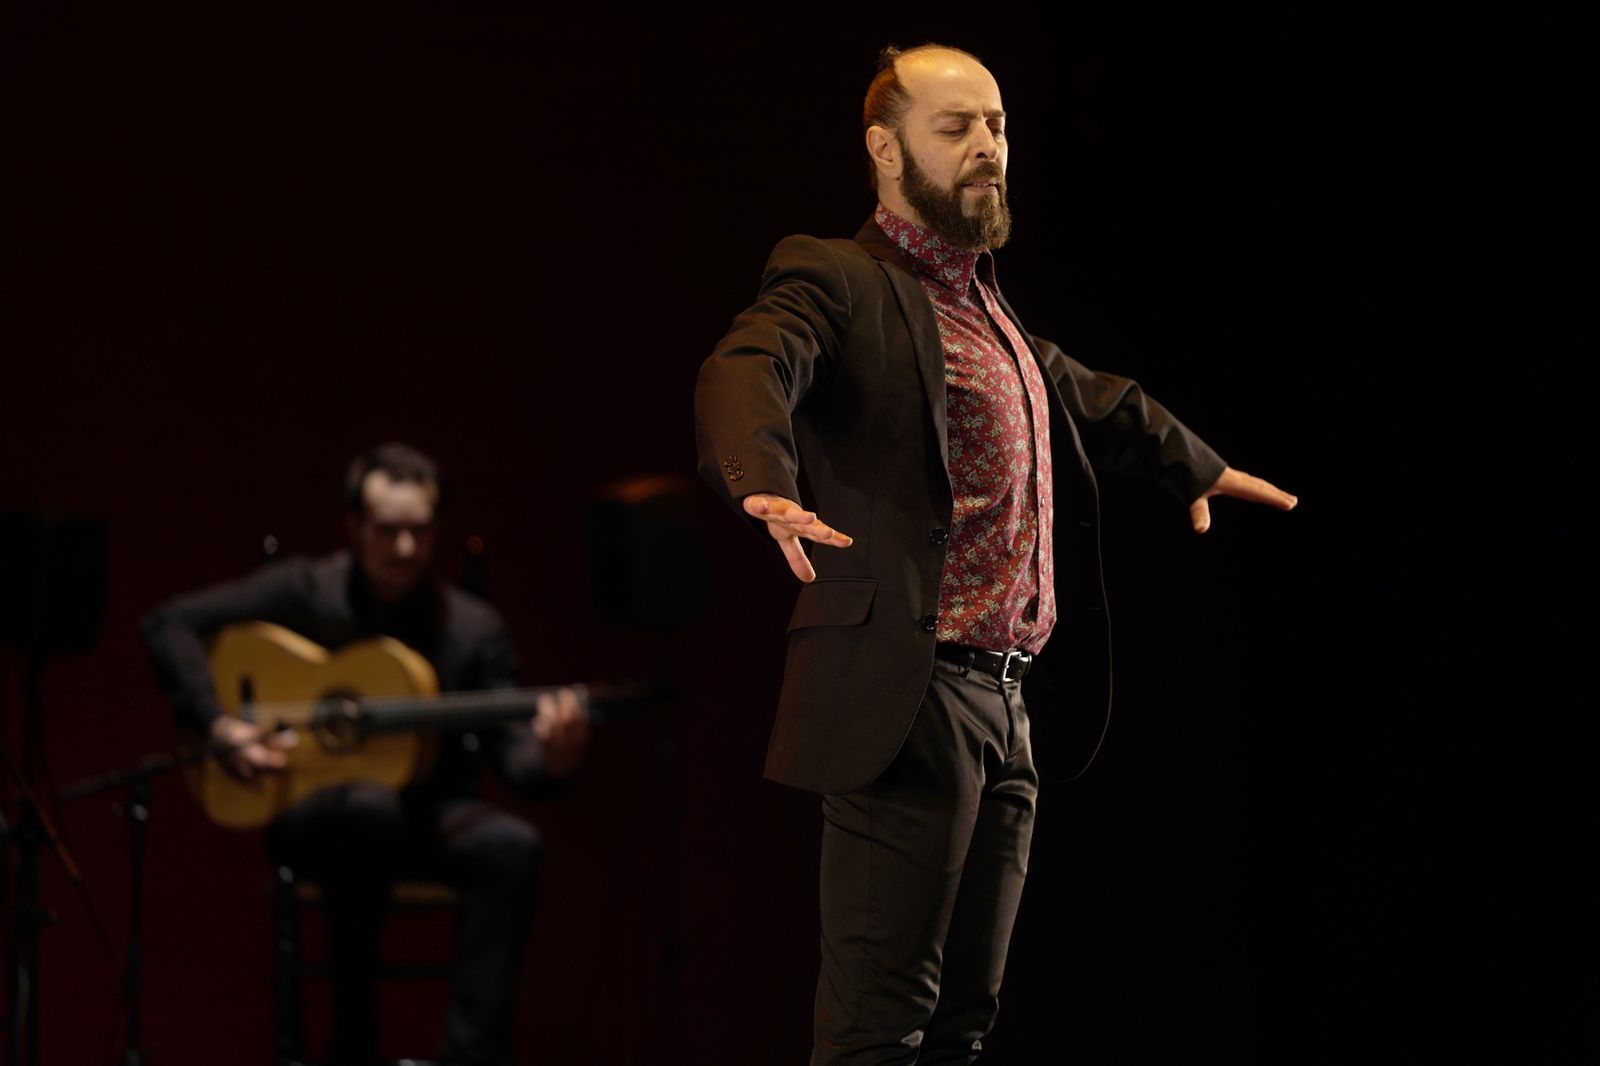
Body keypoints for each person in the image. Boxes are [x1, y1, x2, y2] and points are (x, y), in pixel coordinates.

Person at [694, 44, 1297, 1064]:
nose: (988, 148)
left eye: (998, 126)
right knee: (880, 1027)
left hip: (1005, 703)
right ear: (885, 151)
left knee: (963, 1025)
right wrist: (763, 475)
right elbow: (749, 361)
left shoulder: (986, 308)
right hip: (910, 692)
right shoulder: (838, 276)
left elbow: (1090, 395)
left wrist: (1187, 462)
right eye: (957, 127)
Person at [141, 442, 588, 1066]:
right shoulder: (305, 591)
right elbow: (167, 623)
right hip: (314, 816)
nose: (405, 549)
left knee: (513, 848)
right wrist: (218, 725)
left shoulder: (470, 629)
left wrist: (555, 756)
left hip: (427, 816)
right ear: (354, 527)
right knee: (367, 812)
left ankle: (471, 1055)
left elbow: (517, 762)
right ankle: (353, 1045)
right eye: (387, 531)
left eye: (420, 531)